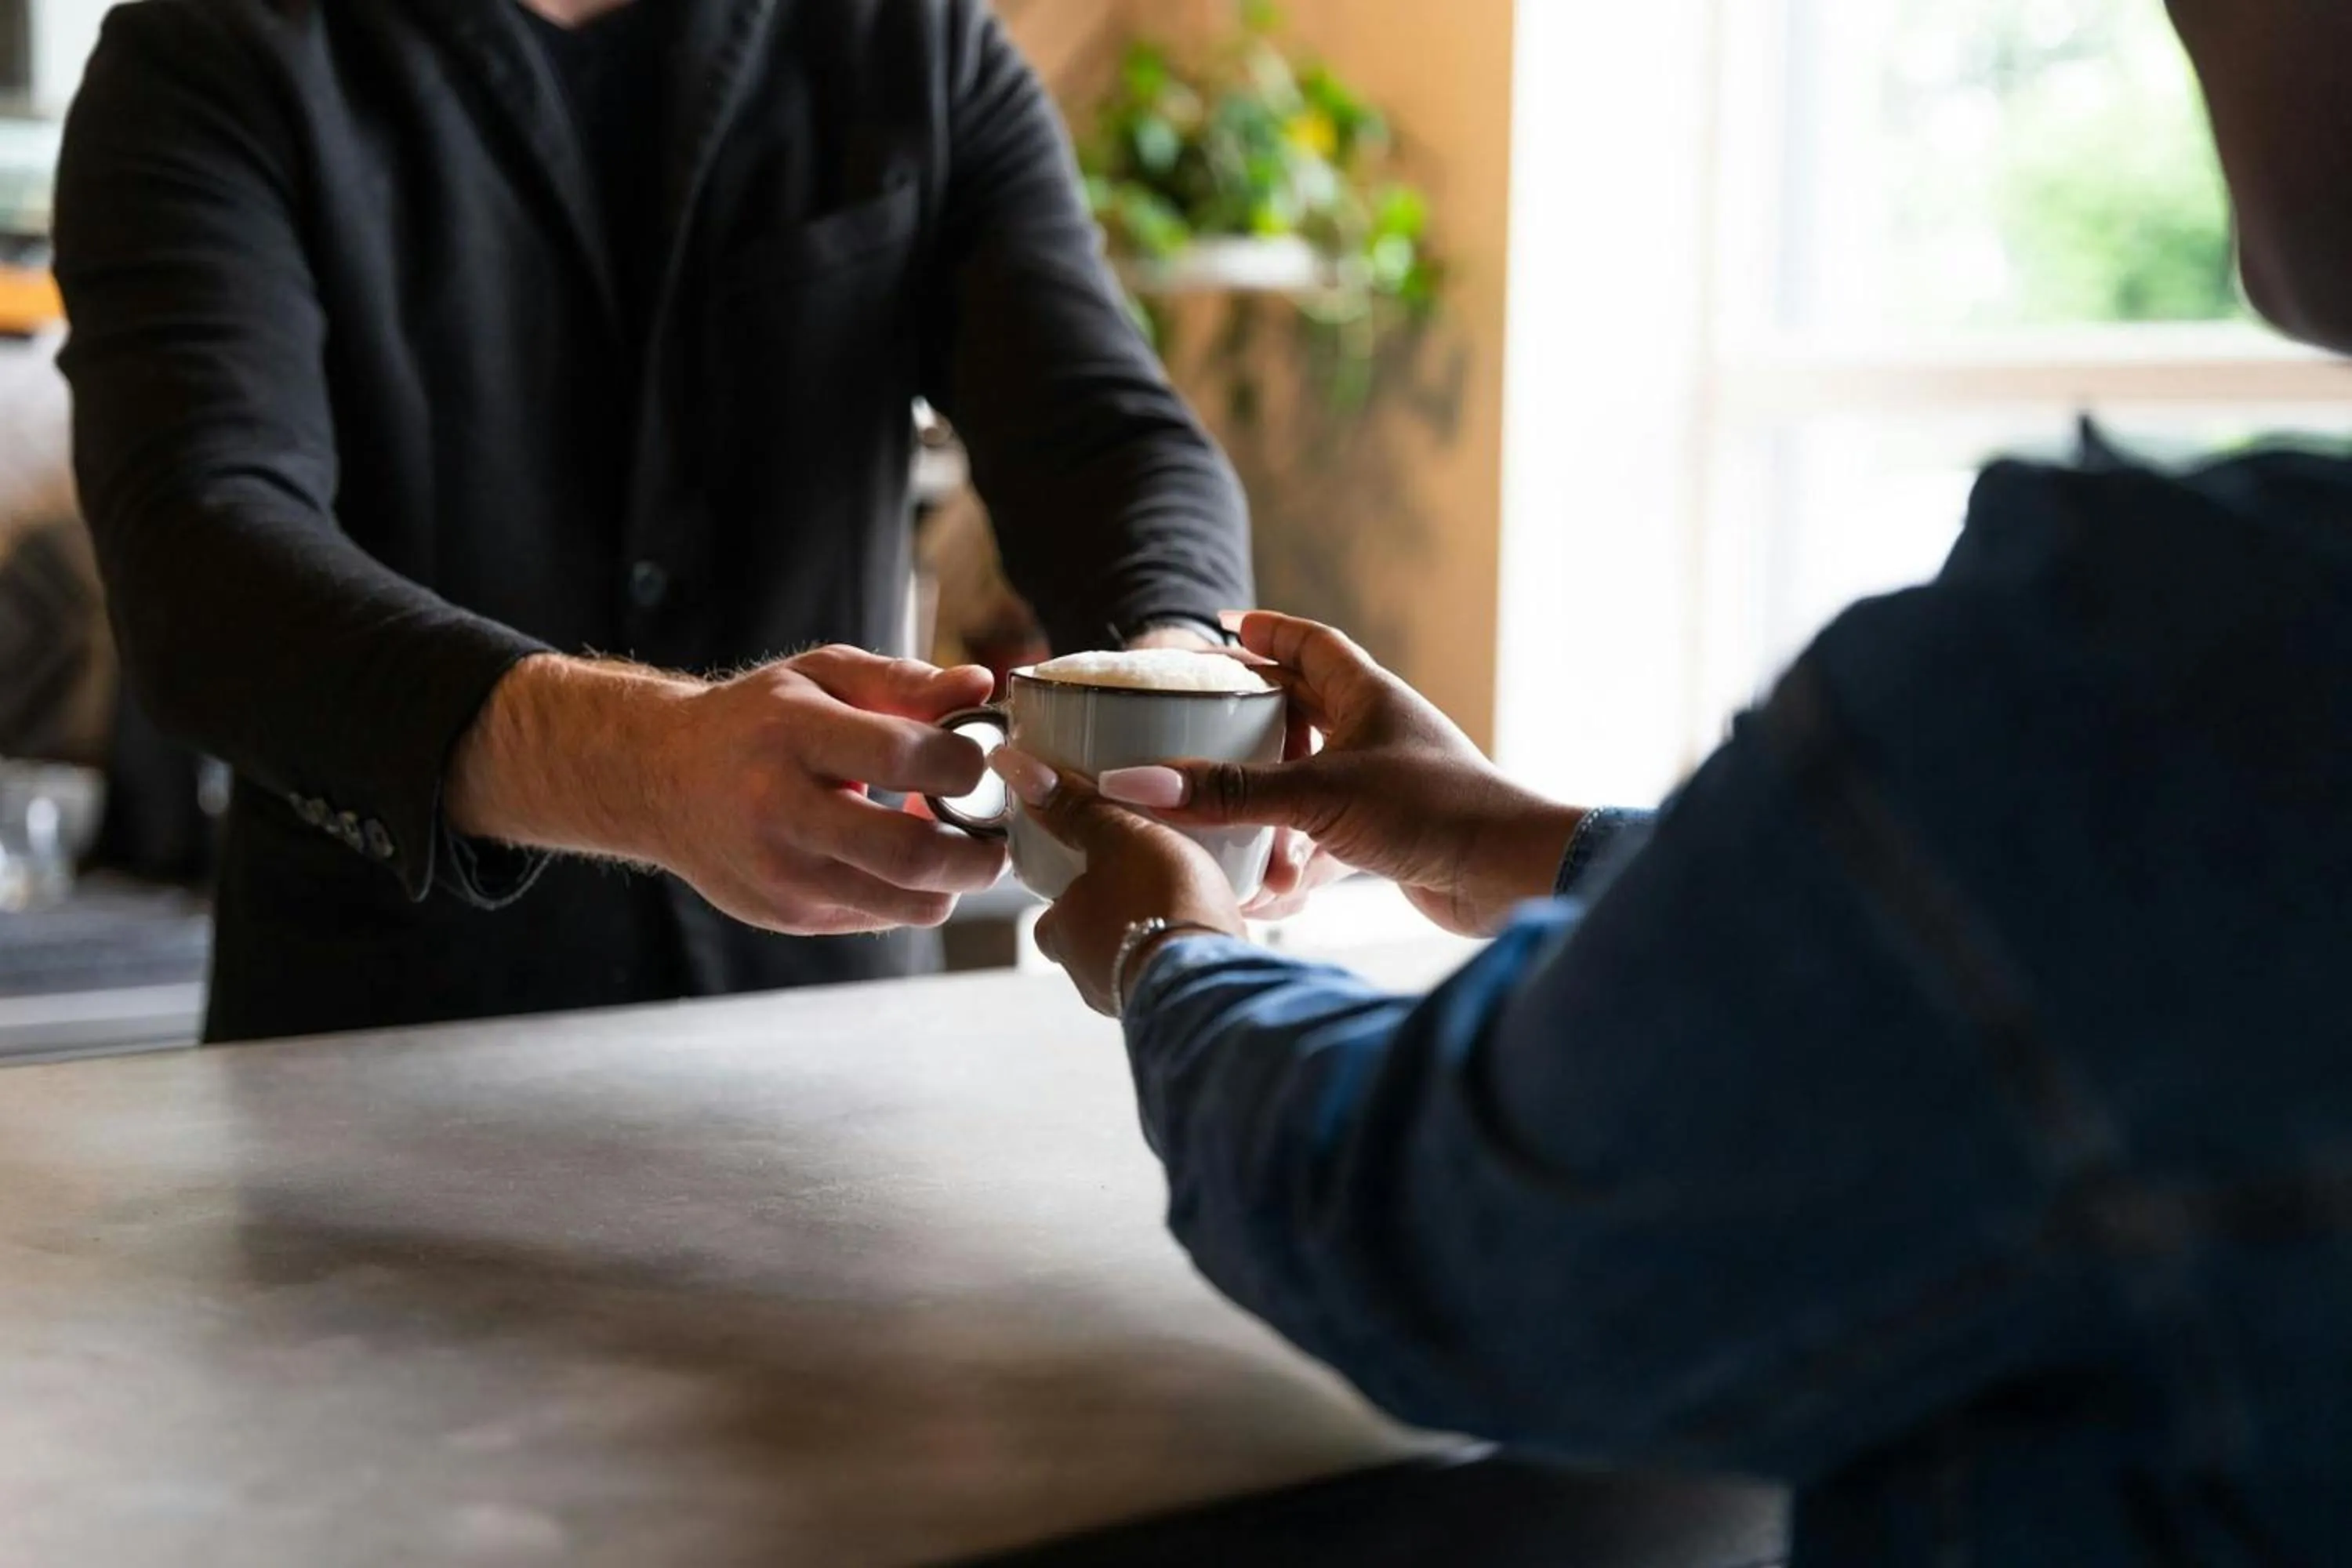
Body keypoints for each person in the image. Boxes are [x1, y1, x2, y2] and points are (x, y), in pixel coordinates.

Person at [992, 3, 2352, 1560]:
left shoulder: (2131, 674)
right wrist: (1531, 842)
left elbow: (1456, 1227)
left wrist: (1172, 950)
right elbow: (2040, 985)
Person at [51, 0, 1266, 1042]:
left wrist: (1196, 681)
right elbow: (201, 560)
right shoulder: (209, 51)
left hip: (826, 1054)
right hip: (379, 1045)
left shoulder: (908, 38)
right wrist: (643, 762)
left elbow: (1102, 434)